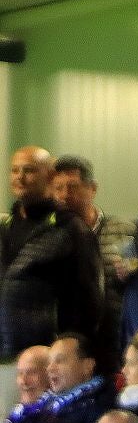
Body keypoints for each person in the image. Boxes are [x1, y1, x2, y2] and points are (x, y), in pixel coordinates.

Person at [1, 148, 100, 360]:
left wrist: (66, 354)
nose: (20, 177)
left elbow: (88, 304)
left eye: (29, 170)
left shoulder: (70, 229)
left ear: (49, 176)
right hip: (6, 355)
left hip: (47, 357)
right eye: (15, 170)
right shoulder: (6, 227)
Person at [48, 153, 132, 361]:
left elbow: (137, 280)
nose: (64, 196)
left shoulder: (123, 230)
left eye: (73, 187)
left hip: (115, 340)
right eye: (58, 188)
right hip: (66, 344)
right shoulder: (47, 236)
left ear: (92, 189)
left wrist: (130, 273)